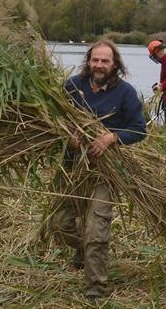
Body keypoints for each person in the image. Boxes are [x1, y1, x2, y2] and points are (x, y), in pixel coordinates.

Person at [48, 39, 146, 303]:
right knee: (58, 224)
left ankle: (95, 289)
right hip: (73, 168)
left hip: (106, 171)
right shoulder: (72, 86)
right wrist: (67, 138)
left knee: (96, 229)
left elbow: (139, 129)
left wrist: (111, 138)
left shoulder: (125, 93)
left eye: (105, 61)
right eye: (95, 60)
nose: (99, 65)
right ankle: (83, 250)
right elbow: (54, 121)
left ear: (115, 65)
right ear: (88, 61)